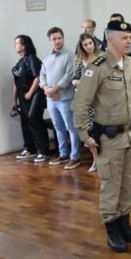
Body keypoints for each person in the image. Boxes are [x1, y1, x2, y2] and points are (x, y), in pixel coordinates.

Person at [72, 20, 131, 252]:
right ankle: (112, 229)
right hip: (109, 138)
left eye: (130, 37)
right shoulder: (97, 67)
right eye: (124, 37)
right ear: (110, 38)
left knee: (128, 184)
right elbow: (80, 103)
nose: (129, 41)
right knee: (111, 184)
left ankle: (125, 224)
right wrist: (85, 135)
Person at [40, 27, 81, 168]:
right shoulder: (47, 56)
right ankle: (63, 154)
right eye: (54, 39)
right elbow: (42, 75)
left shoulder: (69, 55)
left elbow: (69, 76)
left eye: (59, 38)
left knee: (71, 128)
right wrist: (46, 88)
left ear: (63, 38)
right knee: (58, 127)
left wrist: (54, 89)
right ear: (50, 40)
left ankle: (75, 157)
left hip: (65, 98)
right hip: (51, 99)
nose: (57, 41)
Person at [12, 35, 49, 163]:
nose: (15, 46)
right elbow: (16, 82)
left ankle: (43, 151)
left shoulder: (32, 59)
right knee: (25, 122)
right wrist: (14, 100)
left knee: (34, 120)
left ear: (24, 45)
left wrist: (30, 92)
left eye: (17, 43)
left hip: (34, 96)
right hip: (23, 97)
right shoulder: (20, 62)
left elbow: (38, 77)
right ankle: (30, 148)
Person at [72, 33, 104, 172]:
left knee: (101, 131)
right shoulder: (79, 60)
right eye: (85, 45)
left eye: (90, 43)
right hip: (85, 100)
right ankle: (95, 160)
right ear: (82, 47)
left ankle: (104, 160)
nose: (88, 46)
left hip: (100, 100)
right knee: (89, 132)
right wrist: (84, 82)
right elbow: (74, 80)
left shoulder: (102, 58)